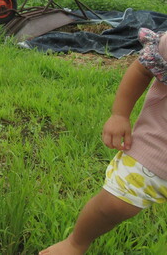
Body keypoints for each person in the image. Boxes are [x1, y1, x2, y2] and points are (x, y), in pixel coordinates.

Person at [41, 28, 167, 254]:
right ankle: (76, 242)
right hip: (157, 147)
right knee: (114, 204)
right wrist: (119, 114)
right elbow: (142, 70)